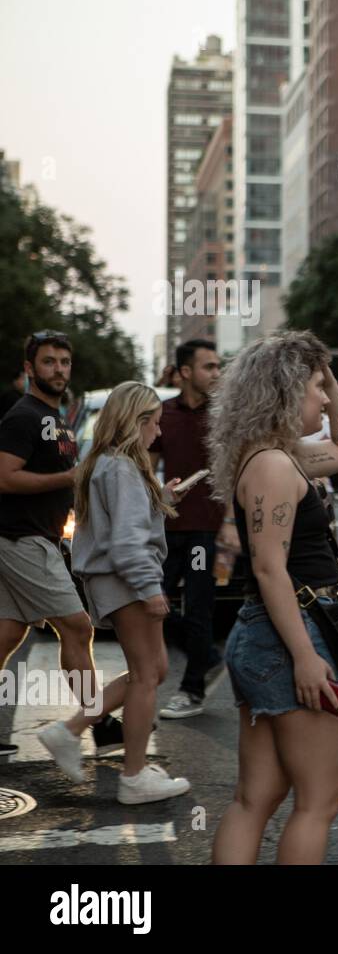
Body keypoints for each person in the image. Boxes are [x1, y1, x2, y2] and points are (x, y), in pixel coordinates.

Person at [209, 331, 338, 865]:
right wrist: (305, 656)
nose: (325, 401)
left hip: (262, 637)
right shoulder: (276, 466)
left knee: (256, 798)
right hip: (292, 636)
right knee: (320, 800)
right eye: (316, 389)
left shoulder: (277, 455)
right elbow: (269, 568)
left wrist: (327, 367)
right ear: (286, 391)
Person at [36, 383, 192, 801]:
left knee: (154, 669)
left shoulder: (105, 462)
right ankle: (133, 776)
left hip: (114, 578)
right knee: (146, 676)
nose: (157, 434)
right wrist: (148, 587)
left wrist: (161, 498)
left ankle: (69, 731)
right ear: (136, 421)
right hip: (124, 579)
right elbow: (125, 541)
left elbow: (117, 520)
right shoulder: (121, 466)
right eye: (154, 424)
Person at [0, 331, 117, 761]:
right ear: (30, 368)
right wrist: (67, 479)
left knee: (6, 635)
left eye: (64, 362)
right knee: (77, 626)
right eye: (48, 362)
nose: (59, 370)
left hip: (33, 537)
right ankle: (99, 723)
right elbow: (4, 477)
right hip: (22, 539)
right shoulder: (24, 417)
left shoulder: (59, 416)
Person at [152, 339, 231, 719]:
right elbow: (145, 468)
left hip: (207, 531)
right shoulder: (162, 414)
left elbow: (237, 470)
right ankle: (210, 657)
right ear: (186, 372)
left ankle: (192, 690)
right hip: (167, 528)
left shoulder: (224, 416)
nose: (216, 374)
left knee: (199, 610)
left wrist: (231, 521)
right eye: (209, 367)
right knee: (156, 607)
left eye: (218, 367)